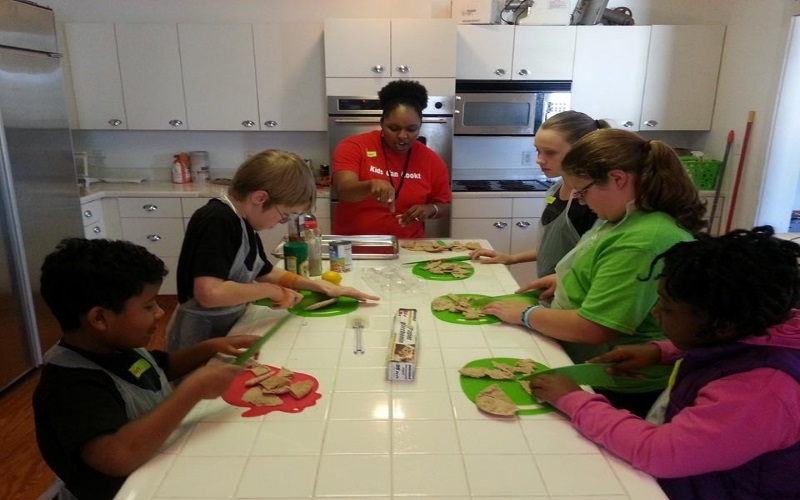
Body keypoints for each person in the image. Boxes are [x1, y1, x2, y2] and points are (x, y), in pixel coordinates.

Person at [529, 226, 800, 499]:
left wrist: (574, 400)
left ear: (723, 326)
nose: (657, 311)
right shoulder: (759, 326)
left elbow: (660, 453)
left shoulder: (762, 392)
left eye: (668, 308)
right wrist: (662, 352)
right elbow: (739, 348)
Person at [483, 129, 707, 417]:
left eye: (583, 191)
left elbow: (595, 327)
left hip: (615, 383)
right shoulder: (619, 218)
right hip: (583, 362)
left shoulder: (644, 240)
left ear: (617, 178)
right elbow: (599, 264)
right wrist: (566, 280)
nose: (580, 201)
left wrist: (524, 316)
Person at [33, 238, 259, 500]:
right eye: (149, 306)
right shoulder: (71, 387)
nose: (160, 313)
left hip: (159, 473)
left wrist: (209, 347)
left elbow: (159, 368)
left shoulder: (116, 347)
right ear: (100, 318)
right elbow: (118, 457)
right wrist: (192, 390)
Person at [168, 149, 379, 351]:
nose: (281, 222)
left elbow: (264, 271)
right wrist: (275, 291)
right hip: (198, 337)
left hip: (225, 328)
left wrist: (317, 286)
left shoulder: (242, 222)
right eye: (285, 214)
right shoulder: (217, 220)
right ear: (260, 198)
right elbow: (209, 293)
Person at [469, 111, 607, 278]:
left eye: (550, 153)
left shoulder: (594, 202)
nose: (539, 160)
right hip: (551, 293)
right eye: (538, 151)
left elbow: (596, 263)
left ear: (582, 151)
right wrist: (511, 258)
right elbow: (553, 248)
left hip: (575, 297)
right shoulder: (557, 188)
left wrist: (561, 281)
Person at [331, 79, 451, 238]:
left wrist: (430, 209)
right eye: (393, 128)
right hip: (355, 245)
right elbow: (344, 190)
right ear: (382, 123)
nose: (402, 136)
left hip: (409, 247)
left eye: (411, 129)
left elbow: (443, 204)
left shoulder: (432, 161)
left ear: (420, 126)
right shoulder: (354, 146)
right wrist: (370, 186)